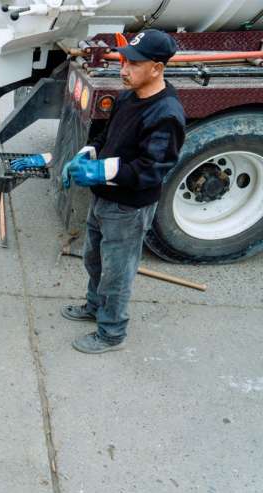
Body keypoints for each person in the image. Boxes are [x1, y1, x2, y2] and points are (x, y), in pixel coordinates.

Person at [59, 29, 185, 354]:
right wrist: (87, 154)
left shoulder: (166, 114)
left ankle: (112, 333)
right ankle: (94, 306)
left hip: (128, 208)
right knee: (94, 259)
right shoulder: (128, 96)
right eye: (124, 61)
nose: (124, 69)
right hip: (104, 197)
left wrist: (101, 171)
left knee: (117, 273)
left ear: (157, 68)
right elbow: (106, 137)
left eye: (134, 63)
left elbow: (151, 169)